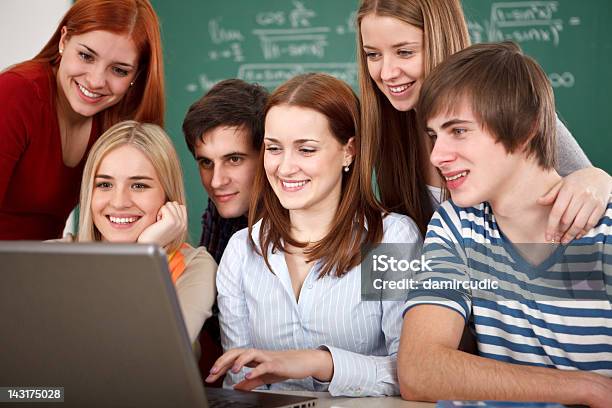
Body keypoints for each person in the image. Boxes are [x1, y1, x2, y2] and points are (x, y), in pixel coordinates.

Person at [399, 42, 612, 407]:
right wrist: (587, 388)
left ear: (526, 128)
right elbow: (419, 370)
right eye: (434, 135)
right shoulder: (456, 226)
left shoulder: (604, 231)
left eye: (459, 131)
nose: (437, 156)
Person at [205, 73, 421, 396]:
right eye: (273, 149)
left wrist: (319, 363)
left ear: (349, 151)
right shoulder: (242, 250)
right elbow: (239, 382)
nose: (285, 167)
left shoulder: (389, 239)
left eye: (306, 150)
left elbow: (410, 373)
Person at [356, 0, 611, 240]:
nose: (387, 73)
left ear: (439, 41)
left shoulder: (506, 106)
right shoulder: (383, 127)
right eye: (373, 55)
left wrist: (598, 178)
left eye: (404, 52)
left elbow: (588, 187)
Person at [0, 0, 164, 240]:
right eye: (86, 56)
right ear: (64, 40)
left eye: (119, 70)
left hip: (42, 268)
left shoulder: (118, 121)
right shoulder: (14, 94)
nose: (96, 80)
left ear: (136, 75)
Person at [76, 120, 216, 345]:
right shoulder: (50, 256)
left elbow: (159, 350)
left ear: (167, 195)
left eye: (139, 185)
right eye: (104, 185)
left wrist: (145, 253)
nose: (119, 202)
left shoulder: (194, 265)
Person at [182, 79, 269, 264]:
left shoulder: (297, 222)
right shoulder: (223, 204)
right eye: (206, 162)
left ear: (266, 157)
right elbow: (209, 288)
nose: (216, 182)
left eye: (234, 159)